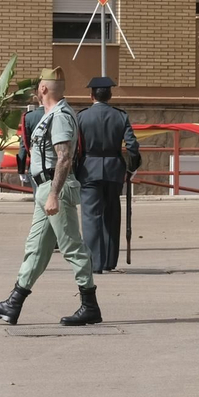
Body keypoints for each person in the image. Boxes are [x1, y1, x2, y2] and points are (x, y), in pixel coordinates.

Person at [0, 67, 100, 326]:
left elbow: (65, 157)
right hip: (44, 189)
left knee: (72, 248)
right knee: (35, 248)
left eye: (38, 87)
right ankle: (13, 304)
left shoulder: (60, 116)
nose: (36, 91)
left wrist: (54, 195)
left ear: (43, 89)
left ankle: (90, 305)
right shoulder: (50, 115)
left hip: (54, 189)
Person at [76, 76, 141, 274]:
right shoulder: (120, 116)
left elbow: (74, 146)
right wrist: (132, 166)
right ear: (110, 95)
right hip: (114, 169)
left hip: (89, 169)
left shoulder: (81, 116)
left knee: (91, 216)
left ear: (91, 96)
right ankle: (110, 261)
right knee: (112, 215)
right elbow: (132, 145)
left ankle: (95, 263)